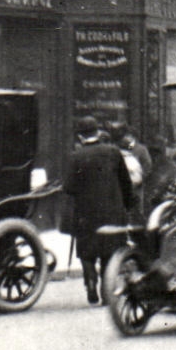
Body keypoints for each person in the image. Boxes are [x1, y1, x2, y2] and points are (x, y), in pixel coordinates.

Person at [66, 116, 134, 305]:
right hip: (112, 211)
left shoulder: (75, 156)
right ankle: (106, 289)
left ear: (80, 136)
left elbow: (69, 187)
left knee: (87, 252)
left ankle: (90, 281)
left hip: (86, 214)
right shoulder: (113, 152)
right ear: (97, 132)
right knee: (109, 251)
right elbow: (125, 182)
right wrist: (128, 205)